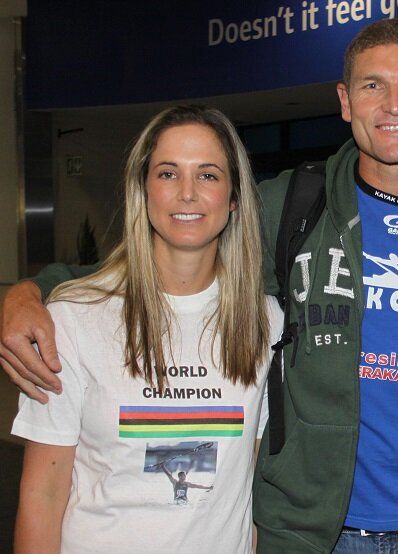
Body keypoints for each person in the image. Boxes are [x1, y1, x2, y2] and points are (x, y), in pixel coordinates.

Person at [1, 19, 398, 553]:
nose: (393, 104)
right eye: (372, 85)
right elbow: (184, 239)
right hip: (318, 533)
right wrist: (31, 291)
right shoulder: (293, 207)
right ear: (345, 101)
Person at [11, 105, 281, 553]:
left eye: (209, 175)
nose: (188, 193)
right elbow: (42, 495)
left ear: (234, 197)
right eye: (169, 173)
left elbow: (244, 490)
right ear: (143, 189)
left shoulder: (264, 322)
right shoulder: (73, 318)